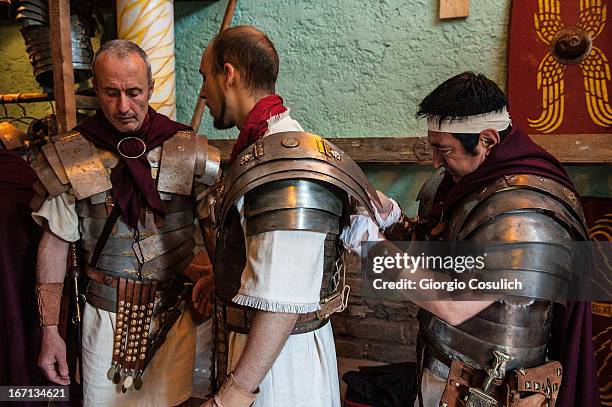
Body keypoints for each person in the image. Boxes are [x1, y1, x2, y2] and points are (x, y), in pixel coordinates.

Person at [373, 72, 599, 407]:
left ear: (488, 141)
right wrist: (393, 220)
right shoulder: (460, 182)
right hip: (441, 359)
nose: (435, 162)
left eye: (443, 149)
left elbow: (456, 305)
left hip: (492, 386)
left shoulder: (523, 213)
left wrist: (375, 250)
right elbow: (437, 253)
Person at [198, 26, 379, 407]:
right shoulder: (262, 149)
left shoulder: (283, 162)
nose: (202, 92)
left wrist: (233, 395)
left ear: (227, 74)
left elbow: (282, 299)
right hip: (261, 353)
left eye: (204, 78)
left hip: (280, 367)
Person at [31, 39, 219, 406]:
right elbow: (53, 243)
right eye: (111, 92)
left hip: (174, 315)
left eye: (134, 92)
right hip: (104, 317)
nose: (123, 107)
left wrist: (214, 276)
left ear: (150, 87)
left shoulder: (185, 148)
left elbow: (215, 233)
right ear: (97, 89)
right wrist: (49, 331)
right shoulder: (74, 154)